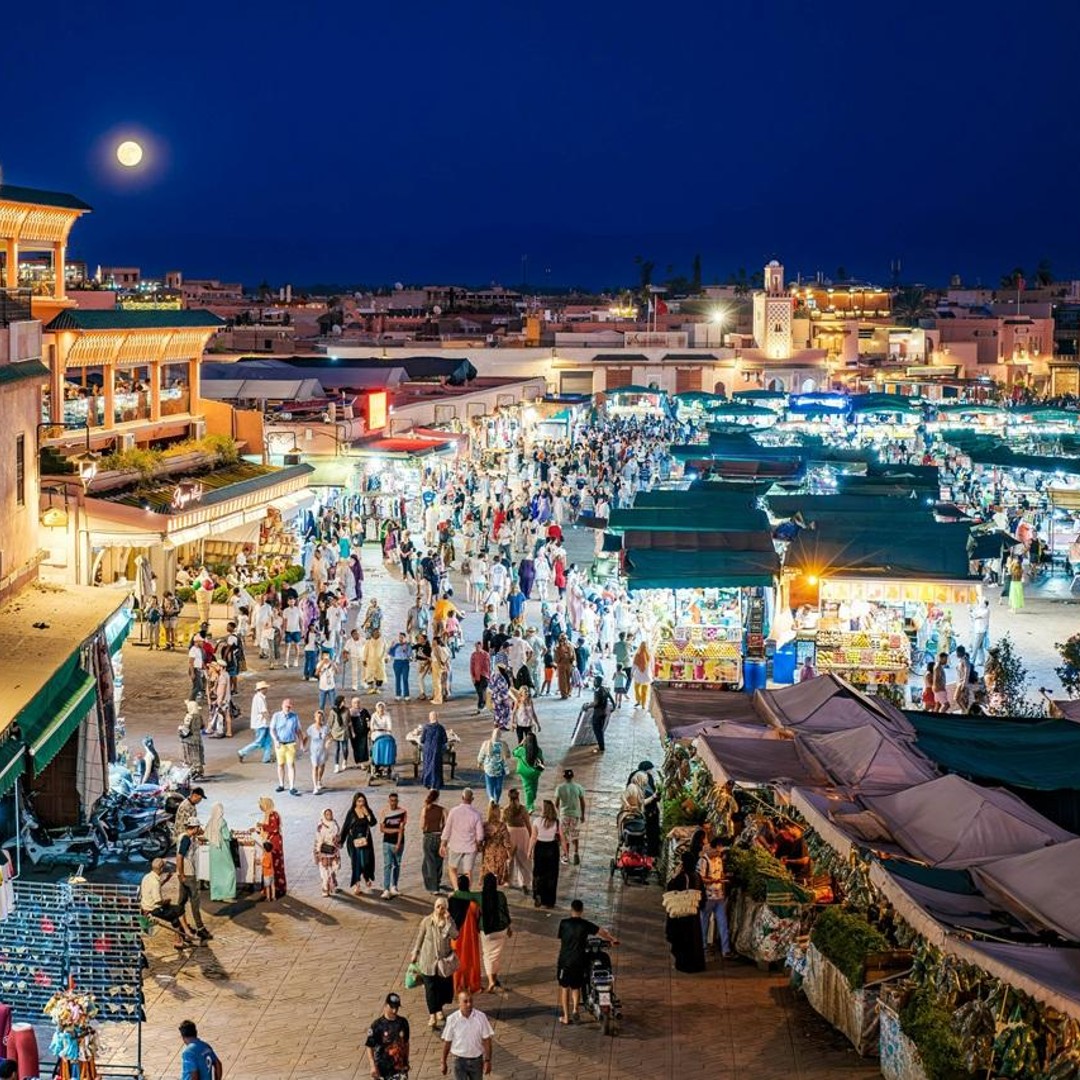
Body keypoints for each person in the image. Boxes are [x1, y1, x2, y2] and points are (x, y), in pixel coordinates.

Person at [556, 899, 618, 1026]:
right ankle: (575, 1009)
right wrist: (612, 939)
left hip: (565, 960)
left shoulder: (564, 923)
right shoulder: (585, 924)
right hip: (580, 959)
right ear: (582, 910)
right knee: (576, 986)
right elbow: (602, 932)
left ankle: (566, 1017)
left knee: (564, 988)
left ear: (571, 909)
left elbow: (561, 938)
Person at [411, 896, 459, 1030]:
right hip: (427, 961)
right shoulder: (427, 921)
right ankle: (432, 1014)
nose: (440, 909)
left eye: (443, 907)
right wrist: (415, 952)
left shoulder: (449, 922)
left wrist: (448, 921)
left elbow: (455, 935)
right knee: (430, 989)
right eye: (438, 906)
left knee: (442, 988)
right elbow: (420, 938)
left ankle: (439, 1010)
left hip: (443, 963)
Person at [140, 859, 195, 950]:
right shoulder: (155, 882)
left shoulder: (147, 877)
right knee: (179, 910)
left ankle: (180, 939)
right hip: (154, 909)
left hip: (146, 906)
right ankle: (186, 932)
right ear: (161, 869)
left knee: (175, 917)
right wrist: (167, 900)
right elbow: (158, 901)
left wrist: (165, 880)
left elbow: (153, 889)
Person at [665, 851, 706, 973]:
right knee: (694, 939)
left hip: (682, 915)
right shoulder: (697, 876)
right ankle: (696, 964)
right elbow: (702, 896)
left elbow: (671, 888)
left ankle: (684, 964)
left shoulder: (682, 877)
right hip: (694, 914)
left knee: (682, 940)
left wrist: (675, 875)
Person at [440, 991, 494, 1079]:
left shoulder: (481, 1017)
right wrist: (443, 1062)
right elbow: (447, 1042)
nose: (469, 1004)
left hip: (477, 1061)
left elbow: (487, 1040)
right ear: (459, 1003)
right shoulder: (452, 1019)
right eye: (465, 1001)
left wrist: (487, 1060)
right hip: (459, 1061)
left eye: (471, 1001)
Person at [440, 788, 485, 890]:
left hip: (455, 845)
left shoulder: (453, 811)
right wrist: (479, 844)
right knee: (468, 871)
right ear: (472, 799)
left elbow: (447, 829)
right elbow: (480, 835)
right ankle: (467, 890)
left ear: (462, 798)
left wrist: (443, 844)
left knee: (452, 868)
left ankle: (456, 889)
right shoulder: (476, 814)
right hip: (470, 847)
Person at [698, 835, 732, 956]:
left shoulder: (719, 860)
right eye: (718, 851)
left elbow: (721, 874)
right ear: (713, 848)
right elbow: (701, 879)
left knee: (723, 923)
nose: (719, 854)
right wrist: (715, 881)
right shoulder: (703, 861)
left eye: (721, 852)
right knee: (704, 923)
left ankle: (726, 950)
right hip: (707, 897)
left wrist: (723, 879)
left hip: (719, 897)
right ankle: (703, 946)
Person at [529, 799, 566, 909]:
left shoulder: (536, 821)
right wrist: (565, 852)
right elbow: (563, 839)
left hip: (540, 847)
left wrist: (529, 850)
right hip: (552, 848)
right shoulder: (557, 822)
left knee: (538, 873)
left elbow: (533, 837)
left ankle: (538, 894)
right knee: (552, 875)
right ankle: (549, 900)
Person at [448, 876, 482, 996]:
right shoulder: (473, 902)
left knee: (456, 961)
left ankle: (456, 985)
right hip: (470, 937)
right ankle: (471, 984)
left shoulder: (451, 900)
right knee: (470, 961)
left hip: (456, 937)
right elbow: (478, 917)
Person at [478, 872, 512, 993]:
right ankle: (495, 978)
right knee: (496, 955)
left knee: (487, 955)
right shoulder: (501, 896)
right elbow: (505, 912)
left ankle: (491, 981)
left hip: (486, 931)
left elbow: (464, 895)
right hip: (501, 929)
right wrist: (509, 927)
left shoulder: (480, 896)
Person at [364, 992, 410, 1080]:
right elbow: (369, 1046)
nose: (394, 1010)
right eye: (392, 1007)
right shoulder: (377, 1025)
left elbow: (406, 1043)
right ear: (385, 1005)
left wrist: (406, 1061)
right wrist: (372, 1065)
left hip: (398, 1069)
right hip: (382, 1069)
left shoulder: (403, 1022)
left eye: (396, 1007)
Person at [340, 791, 378, 895]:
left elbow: (373, 823)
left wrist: (367, 814)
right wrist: (341, 841)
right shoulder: (351, 812)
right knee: (356, 863)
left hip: (365, 841)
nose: (361, 803)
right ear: (355, 802)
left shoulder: (367, 810)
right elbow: (346, 827)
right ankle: (357, 885)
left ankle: (366, 877)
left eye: (363, 801)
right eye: (359, 801)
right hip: (354, 842)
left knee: (365, 861)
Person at [270, 697, 305, 796]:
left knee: (291, 764)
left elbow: (298, 731)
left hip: (290, 743)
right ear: (282, 706)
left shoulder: (294, 716)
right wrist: (275, 740)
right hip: (280, 744)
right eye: (286, 706)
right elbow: (272, 729)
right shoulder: (276, 716)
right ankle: (281, 784)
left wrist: (302, 743)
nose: (288, 708)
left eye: (289, 707)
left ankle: (292, 786)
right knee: (280, 764)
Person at [204, 803, 236, 903]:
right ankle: (227, 894)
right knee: (230, 870)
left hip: (213, 850)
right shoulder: (222, 822)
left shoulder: (210, 821)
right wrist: (231, 834)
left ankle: (216, 894)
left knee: (216, 873)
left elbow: (206, 835)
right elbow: (226, 836)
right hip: (222, 849)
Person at [554, 769, 586, 866]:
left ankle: (566, 855)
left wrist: (556, 815)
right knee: (575, 834)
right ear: (573, 776)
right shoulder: (578, 787)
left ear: (564, 777)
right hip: (575, 815)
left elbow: (556, 803)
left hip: (564, 815)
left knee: (565, 836)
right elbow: (582, 802)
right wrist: (582, 814)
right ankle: (576, 852)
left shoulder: (560, 788)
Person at [257, 795, 287, 897]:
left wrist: (262, 826)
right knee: (269, 864)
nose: (261, 808)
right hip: (270, 841)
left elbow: (274, 829)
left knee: (275, 864)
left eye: (262, 806)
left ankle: (278, 888)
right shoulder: (267, 815)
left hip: (274, 842)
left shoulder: (273, 815)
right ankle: (268, 888)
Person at [503, 789, 532, 896]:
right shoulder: (523, 809)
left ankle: (508, 881)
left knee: (509, 859)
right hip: (522, 833)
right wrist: (532, 837)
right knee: (523, 859)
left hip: (510, 832)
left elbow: (502, 823)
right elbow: (528, 824)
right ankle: (524, 883)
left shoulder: (506, 809)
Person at [379, 791, 407, 899]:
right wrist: (396, 829)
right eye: (391, 801)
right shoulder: (384, 812)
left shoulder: (403, 812)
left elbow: (402, 830)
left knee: (397, 865)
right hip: (386, 842)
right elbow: (382, 829)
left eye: (395, 801)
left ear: (397, 801)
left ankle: (394, 886)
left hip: (399, 842)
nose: (393, 803)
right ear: (388, 801)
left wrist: (398, 844)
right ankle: (386, 889)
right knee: (387, 865)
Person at [237, 680, 272, 764]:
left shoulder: (258, 697)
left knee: (268, 741)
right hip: (261, 724)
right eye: (266, 688)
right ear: (262, 689)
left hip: (262, 724)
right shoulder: (260, 699)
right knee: (259, 742)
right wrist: (270, 722)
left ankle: (266, 758)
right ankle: (242, 752)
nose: (267, 690)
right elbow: (264, 712)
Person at [479, 802, 514, 885]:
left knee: (488, 869)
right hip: (500, 851)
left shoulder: (485, 825)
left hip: (488, 851)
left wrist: (480, 847)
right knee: (499, 870)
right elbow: (507, 841)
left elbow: (480, 839)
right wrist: (510, 854)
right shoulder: (502, 826)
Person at [421, 789, 447, 894]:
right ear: (437, 798)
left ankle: (433, 887)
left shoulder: (425, 809)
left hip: (428, 837)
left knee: (429, 863)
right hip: (439, 837)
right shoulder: (443, 810)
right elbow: (447, 826)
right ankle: (437, 881)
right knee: (438, 861)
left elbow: (422, 826)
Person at [511, 731, 544, 813]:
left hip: (525, 773)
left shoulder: (522, 750)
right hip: (535, 772)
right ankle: (531, 802)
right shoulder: (538, 750)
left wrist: (520, 744)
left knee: (527, 788)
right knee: (534, 787)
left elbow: (514, 752)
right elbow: (541, 761)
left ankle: (529, 806)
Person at [476, 725, 509, 805]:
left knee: (489, 784)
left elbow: (481, 755)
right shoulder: (503, 744)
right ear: (500, 735)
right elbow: (508, 755)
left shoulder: (486, 743)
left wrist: (479, 763)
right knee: (498, 786)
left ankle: (491, 798)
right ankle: (497, 801)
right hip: (500, 768)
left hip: (489, 768)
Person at [314, 807, 341, 897]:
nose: (329, 816)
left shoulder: (334, 823)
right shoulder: (321, 826)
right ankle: (325, 889)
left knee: (334, 868)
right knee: (325, 871)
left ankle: (332, 885)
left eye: (330, 814)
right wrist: (318, 852)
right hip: (324, 852)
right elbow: (319, 840)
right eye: (327, 814)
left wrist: (337, 840)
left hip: (334, 851)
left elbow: (338, 834)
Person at [421, 710, 449, 790]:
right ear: (437, 717)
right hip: (437, 750)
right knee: (436, 767)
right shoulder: (440, 728)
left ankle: (428, 782)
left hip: (428, 750)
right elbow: (445, 739)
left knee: (427, 766)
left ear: (430, 718)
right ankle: (436, 783)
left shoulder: (426, 727)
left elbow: (422, 740)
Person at [588, 675, 615, 753]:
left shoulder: (597, 691)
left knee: (597, 731)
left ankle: (601, 747)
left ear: (597, 682)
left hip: (597, 714)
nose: (593, 682)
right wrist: (613, 708)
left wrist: (587, 706)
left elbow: (595, 703)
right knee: (600, 730)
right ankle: (601, 745)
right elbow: (612, 700)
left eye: (595, 681)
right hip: (604, 713)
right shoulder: (605, 689)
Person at [307, 709, 330, 794]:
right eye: (317, 717)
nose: (319, 718)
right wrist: (303, 745)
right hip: (314, 750)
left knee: (321, 766)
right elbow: (306, 736)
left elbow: (330, 736)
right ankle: (315, 787)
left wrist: (328, 742)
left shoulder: (325, 728)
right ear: (315, 718)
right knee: (315, 766)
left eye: (320, 717)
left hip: (322, 749)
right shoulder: (311, 728)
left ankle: (319, 780)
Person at [469, 641, 491, 715]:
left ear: (481, 646)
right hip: (476, 676)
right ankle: (483, 703)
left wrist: (489, 676)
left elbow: (488, 666)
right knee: (479, 692)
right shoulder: (473, 655)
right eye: (476, 647)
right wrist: (472, 676)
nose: (477, 648)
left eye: (478, 647)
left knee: (481, 691)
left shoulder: (486, 654)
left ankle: (480, 706)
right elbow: (472, 666)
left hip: (484, 675)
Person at [631, 641, 653, 709]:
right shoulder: (649, 655)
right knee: (645, 691)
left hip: (638, 675)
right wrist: (652, 674)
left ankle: (638, 700)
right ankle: (643, 705)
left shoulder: (637, 655)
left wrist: (631, 673)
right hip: (647, 675)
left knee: (636, 689)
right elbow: (652, 666)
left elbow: (634, 666)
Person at [554, 634, 575, 699]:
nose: (564, 641)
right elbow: (556, 659)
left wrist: (573, 662)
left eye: (565, 639)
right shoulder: (557, 647)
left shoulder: (570, 646)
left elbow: (573, 656)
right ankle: (564, 694)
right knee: (562, 680)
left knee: (569, 679)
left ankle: (568, 692)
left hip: (569, 664)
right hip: (561, 665)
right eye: (562, 639)